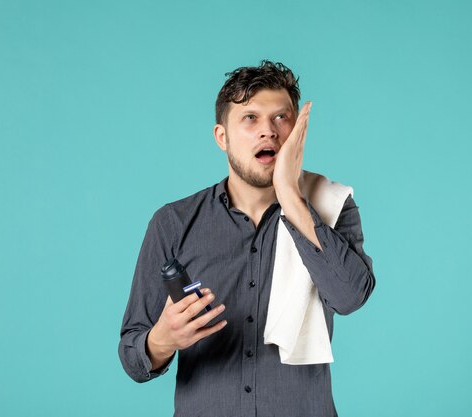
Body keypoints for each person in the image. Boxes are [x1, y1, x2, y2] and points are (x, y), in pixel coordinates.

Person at [118, 60, 375, 417]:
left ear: (297, 132)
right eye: (250, 118)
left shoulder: (332, 206)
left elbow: (349, 297)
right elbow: (132, 357)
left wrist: (290, 195)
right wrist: (163, 338)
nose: (267, 131)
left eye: (281, 118)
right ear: (222, 136)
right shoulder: (172, 223)